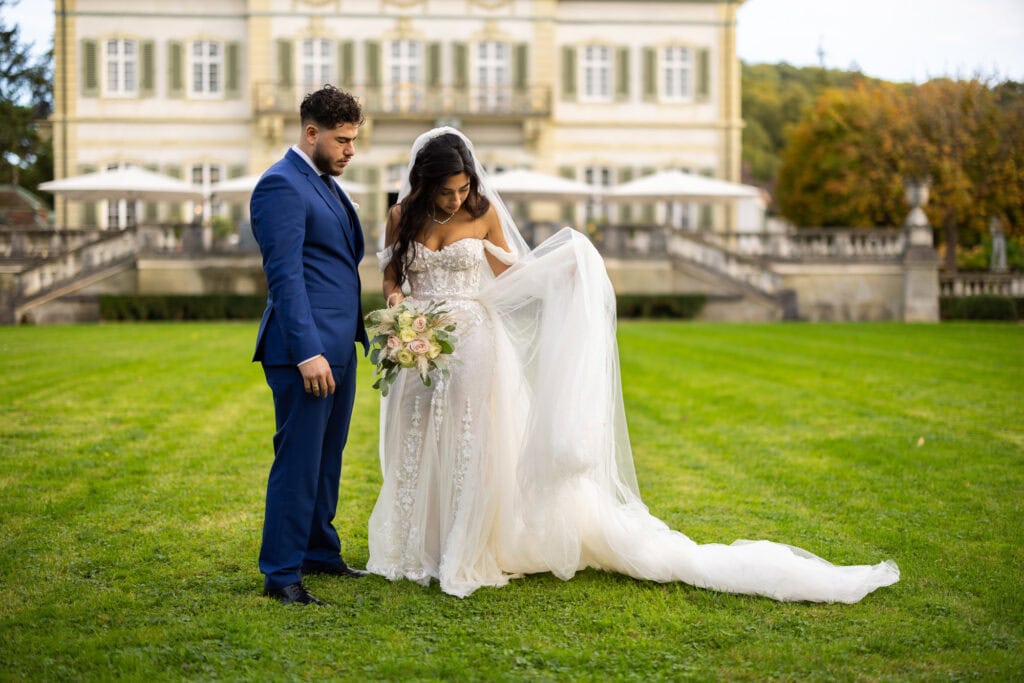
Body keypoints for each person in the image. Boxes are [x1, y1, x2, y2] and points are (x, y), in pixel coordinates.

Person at [367, 127, 900, 602]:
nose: (457, 197)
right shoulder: (399, 215)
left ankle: (461, 549)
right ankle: (412, 549)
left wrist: (561, 274)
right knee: (413, 438)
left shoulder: (481, 214)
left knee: (466, 443)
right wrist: (397, 306)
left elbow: (510, 275)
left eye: (463, 187)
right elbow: (392, 277)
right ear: (424, 182)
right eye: (447, 190)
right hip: (416, 343)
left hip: (475, 342)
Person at [250, 85, 369, 605]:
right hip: (306, 353)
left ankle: (320, 552)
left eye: (354, 140)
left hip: (340, 348)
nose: (349, 150)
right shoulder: (280, 185)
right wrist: (307, 352)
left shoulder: (326, 184)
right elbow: (286, 278)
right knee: (298, 461)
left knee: (327, 458)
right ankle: (281, 574)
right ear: (311, 132)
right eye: (342, 140)